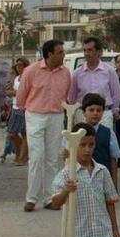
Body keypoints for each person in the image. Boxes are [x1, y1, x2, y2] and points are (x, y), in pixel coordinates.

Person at [50, 124, 120, 237]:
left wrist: (115, 229)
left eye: (91, 145)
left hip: (102, 235)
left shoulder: (102, 171)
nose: (87, 149)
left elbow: (110, 201)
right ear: (74, 146)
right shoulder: (66, 174)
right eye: (83, 145)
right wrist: (66, 191)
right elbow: (56, 203)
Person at [18, 39, 71, 212]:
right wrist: (25, 112)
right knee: (37, 156)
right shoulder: (31, 71)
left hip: (56, 116)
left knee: (52, 158)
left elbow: (67, 95)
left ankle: (50, 198)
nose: (63, 55)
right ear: (49, 54)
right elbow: (22, 95)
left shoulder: (65, 73)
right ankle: (31, 198)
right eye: (60, 52)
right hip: (35, 115)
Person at [68, 37, 120, 130]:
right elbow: (72, 96)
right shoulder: (77, 73)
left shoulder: (109, 71)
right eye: (84, 50)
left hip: (104, 114)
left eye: (90, 50)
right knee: (83, 142)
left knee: (103, 143)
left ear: (99, 52)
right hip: (82, 114)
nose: (86, 53)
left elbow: (116, 93)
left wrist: (114, 111)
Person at [74, 94, 120, 188]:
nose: (95, 113)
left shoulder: (109, 133)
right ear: (84, 112)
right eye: (91, 110)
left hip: (103, 181)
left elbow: (113, 159)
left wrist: (114, 184)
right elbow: (67, 155)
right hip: (80, 181)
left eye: (99, 110)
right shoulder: (75, 132)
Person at [3, 58, 29, 165]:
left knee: (24, 134)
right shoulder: (17, 78)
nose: (18, 67)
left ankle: (22, 157)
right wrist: (13, 92)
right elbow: (11, 91)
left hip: (24, 108)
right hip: (15, 107)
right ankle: (18, 154)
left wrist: (14, 92)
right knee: (12, 134)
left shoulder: (27, 78)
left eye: (21, 65)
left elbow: (25, 92)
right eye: (17, 65)